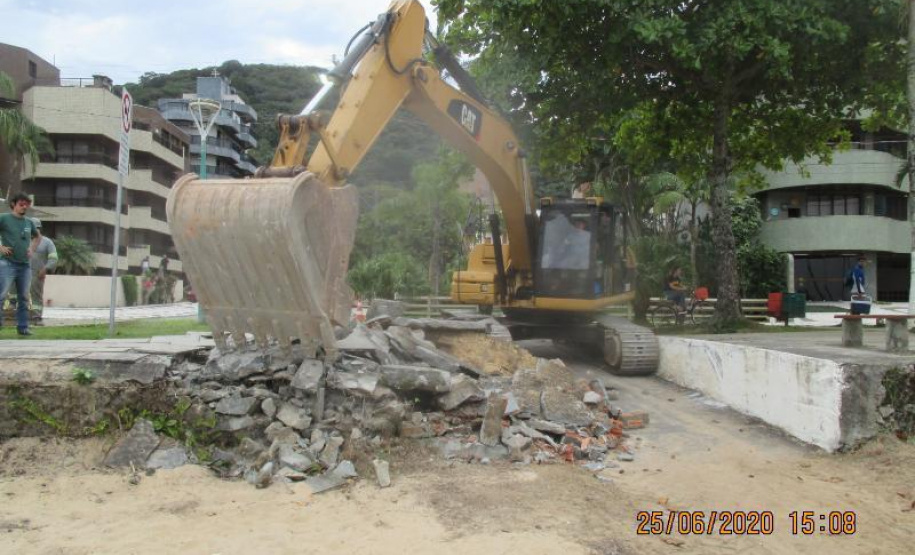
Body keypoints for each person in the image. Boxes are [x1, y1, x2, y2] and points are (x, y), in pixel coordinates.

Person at [0, 193, 41, 336]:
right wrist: (1, 247)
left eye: (26, 205)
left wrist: (31, 248)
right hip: (7, 263)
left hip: (24, 265)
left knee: (23, 297)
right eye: (21, 204)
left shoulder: (29, 222)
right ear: (13, 204)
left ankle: (23, 327)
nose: (24, 207)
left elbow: (37, 237)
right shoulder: (4, 218)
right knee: (2, 295)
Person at [28, 219, 57, 325]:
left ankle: (36, 317)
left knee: (36, 295)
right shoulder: (25, 240)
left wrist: (45, 269)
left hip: (37, 273)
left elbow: (53, 258)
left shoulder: (47, 242)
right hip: (23, 272)